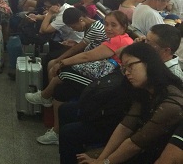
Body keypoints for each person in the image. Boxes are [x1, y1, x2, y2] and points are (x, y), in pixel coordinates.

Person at [27, 10, 132, 145]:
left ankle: (46, 100)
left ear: (123, 27)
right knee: (61, 89)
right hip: (107, 78)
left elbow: (87, 56)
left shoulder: (118, 40)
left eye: (113, 25)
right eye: (106, 24)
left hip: (107, 85)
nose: (108, 28)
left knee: (63, 74)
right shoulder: (122, 38)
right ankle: (53, 121)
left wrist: (62, 62)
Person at [76, 42, 183, 164]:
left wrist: (104, 162)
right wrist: (101, 159)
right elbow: (126, 126)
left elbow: (136, 143)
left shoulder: (172, 101)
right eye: (124, 68)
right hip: (144, 148)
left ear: (149, 63)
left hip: (156, 154)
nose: (126, 72)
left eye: (130, 66)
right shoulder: (145, 90)